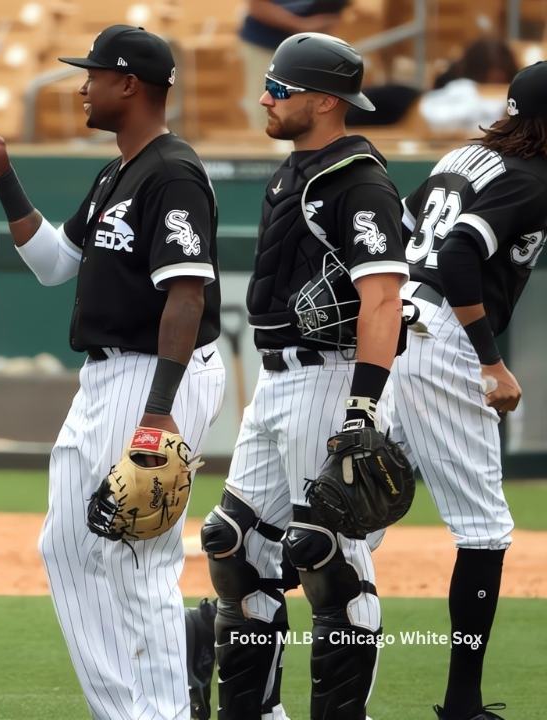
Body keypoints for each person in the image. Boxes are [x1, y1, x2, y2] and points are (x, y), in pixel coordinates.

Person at [0, 24, 225, 719]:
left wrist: (158, 413)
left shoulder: (172, 171)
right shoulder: (118, 170)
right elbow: (56, 264)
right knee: (65, 545)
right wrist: (6, 181)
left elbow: (187, 293)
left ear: (130, 85)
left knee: (137, 554)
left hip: (155, 375)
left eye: (93, 74)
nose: (82, 85)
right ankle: (129, 708)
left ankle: (166, 708)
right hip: (109, 374)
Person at [199, 32, 406, 719]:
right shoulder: (297, 171)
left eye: (279, 88)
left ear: (322, 100)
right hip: (281, 377)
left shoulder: (357, 179)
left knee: (325, 552)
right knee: (232, 542)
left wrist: (364, 407)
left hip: (334, 376)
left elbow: (381, 298)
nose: (265, 95)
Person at [390, 62, 547, 720]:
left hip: (397, 324)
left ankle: (232, 624)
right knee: (484, 531)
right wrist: (491, 362)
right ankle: (461, 706)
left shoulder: (463, 155)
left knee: (358, 506)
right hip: (447, 342)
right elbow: (457, 256)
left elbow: (400, 227)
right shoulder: (535, 179)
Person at [238, 1, 349, 128]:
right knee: (271, 103)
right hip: (267, 44)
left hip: (313, 43)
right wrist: (302, 25)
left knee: (311, 104)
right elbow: (257, 6)